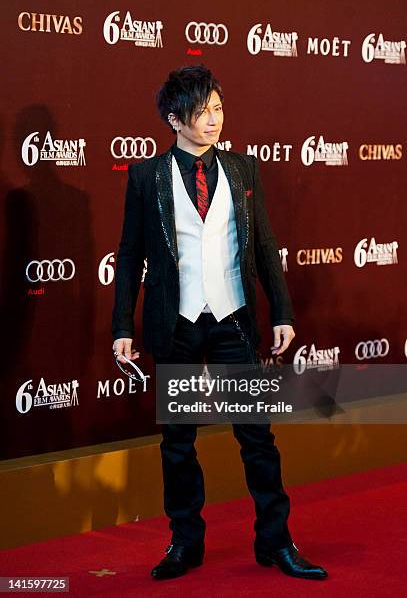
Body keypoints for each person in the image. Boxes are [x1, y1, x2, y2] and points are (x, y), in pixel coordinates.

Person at [112, 65, 327, 581]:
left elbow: (265, 245)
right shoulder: (146, 178)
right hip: (177, 322)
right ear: (173, 119)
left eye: (218, 108)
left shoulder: (244, 169)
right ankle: (185, 542)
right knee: (179, 443)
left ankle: (276, 543)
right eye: (201, 111)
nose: (213, 120)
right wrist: (122, 326)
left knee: (257, 437)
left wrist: (283, 310)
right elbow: (130, 255)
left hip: (232, 320)